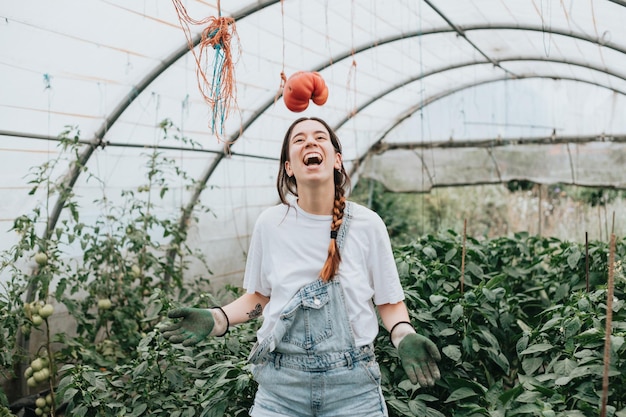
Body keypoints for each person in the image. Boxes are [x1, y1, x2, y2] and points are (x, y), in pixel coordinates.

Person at [162, 117, 441, 417]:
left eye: (320, 137)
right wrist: (218, 318)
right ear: (289, 167)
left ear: (336, 159)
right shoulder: (271, 224)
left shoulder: (367, 225)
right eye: (299, 140)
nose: (310, 142)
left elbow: (388, 301)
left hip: (353, 391)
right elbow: (259, 298)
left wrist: (403, 334)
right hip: (281, 390)